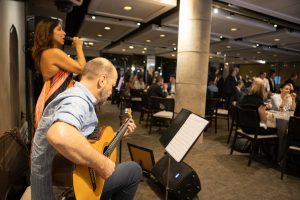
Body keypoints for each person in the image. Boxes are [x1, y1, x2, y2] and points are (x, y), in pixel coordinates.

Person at [30, 58, 142, 200]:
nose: (111, 92)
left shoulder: (73, 94)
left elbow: (85, 140)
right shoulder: (78, 100)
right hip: (61, 192)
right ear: (102, 81)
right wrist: (101, 164)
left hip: (62, 181)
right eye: (112, 85)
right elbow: (59, 134)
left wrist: (118, 134)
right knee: (134, 170)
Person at [32, 17, 86, 129]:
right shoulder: (53, 53)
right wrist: (79, 47)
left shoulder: (45, 53)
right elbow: (82, 68)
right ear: (48, 33)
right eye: (59, 29)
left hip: (51, 99)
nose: (64, 33)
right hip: (54, 102)